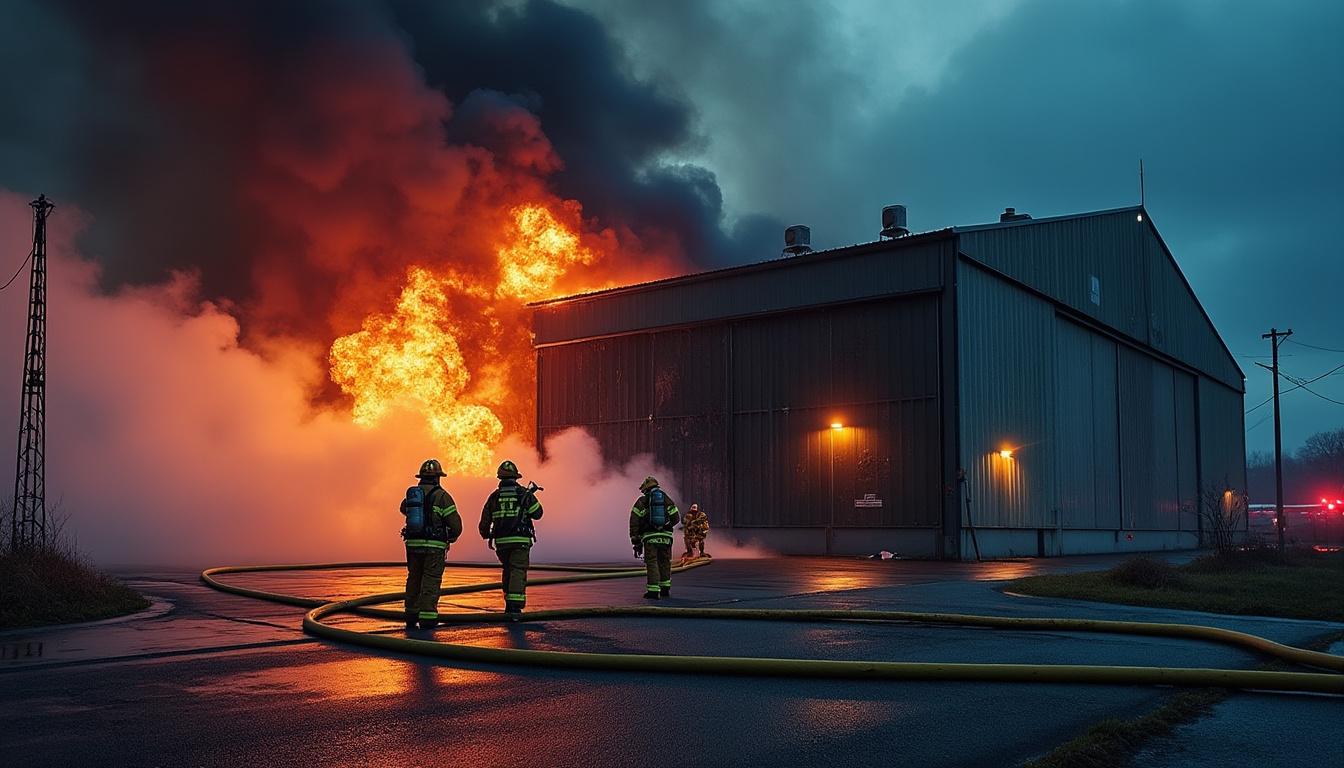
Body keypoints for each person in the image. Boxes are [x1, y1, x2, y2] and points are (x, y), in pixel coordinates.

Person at [401, 459, 462, 630]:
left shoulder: (413, 494)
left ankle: (411, 615)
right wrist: (451, 536)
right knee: (430, 580)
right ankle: (427, 618)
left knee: (414, 578)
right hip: (433, 546)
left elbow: (403, 509)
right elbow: (456, 525)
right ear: (437, 478)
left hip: (412, 545)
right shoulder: (442, 496)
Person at [479, 460, 543, 618]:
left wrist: (486, 534)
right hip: (520, 541)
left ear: (500, 478)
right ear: (516, 477)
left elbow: (484, 522)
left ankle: (509, 603)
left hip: (501, 542)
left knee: (508, 570)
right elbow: (538, 513)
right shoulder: (523, 494)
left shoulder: (494, 496)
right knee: (517, 571)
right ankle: (514, 608)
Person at [630, 476, 679, 599]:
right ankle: (665, 589)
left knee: (652, 563)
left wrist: (636, 540)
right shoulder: (666, 499)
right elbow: (676, 518)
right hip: (666, 537)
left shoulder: (642, 501)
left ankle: (653, 591)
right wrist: (666, 526)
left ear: (645, 489)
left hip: (650, 537)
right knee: (665, 562)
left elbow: (634, 522)